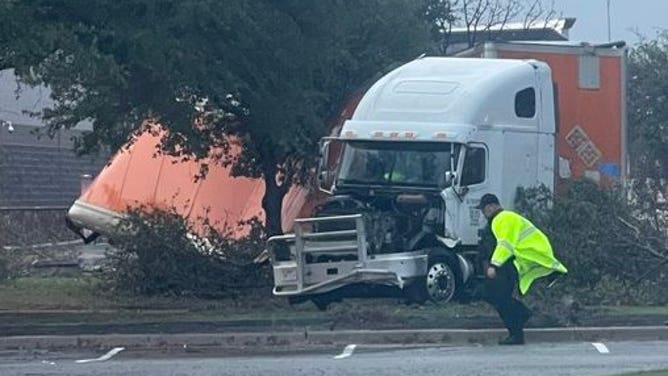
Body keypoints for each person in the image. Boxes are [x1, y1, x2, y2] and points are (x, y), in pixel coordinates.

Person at [477, 193, 568, 345]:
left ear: (491, 207)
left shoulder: (502, 219)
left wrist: (494, 265)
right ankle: (520, 320)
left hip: (507, 264)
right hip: (513, 263)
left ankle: (518, 328)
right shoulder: (503, 218)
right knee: (498, 297)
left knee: (499, 298)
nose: (483, 214)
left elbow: (505, 244)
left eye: (484, 210)